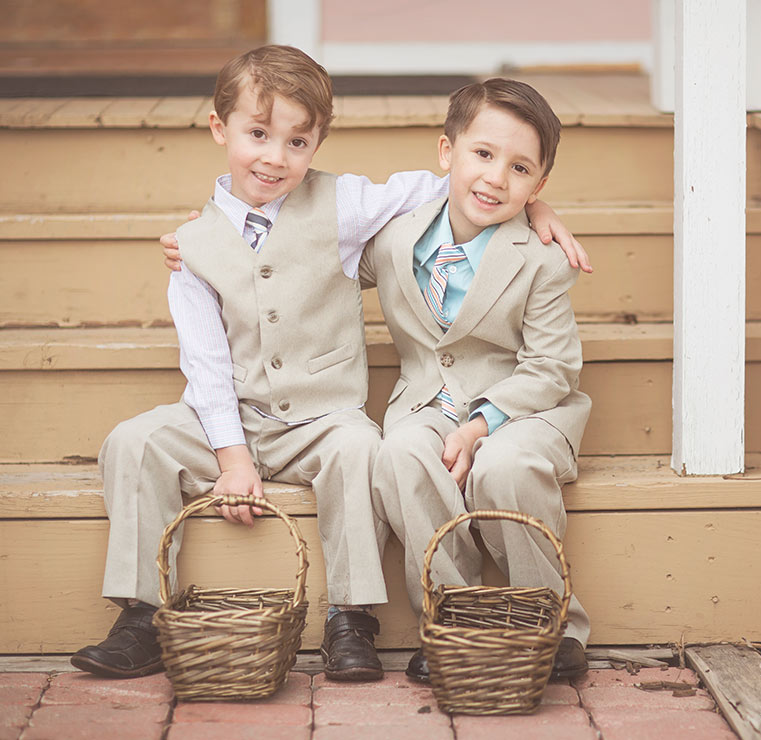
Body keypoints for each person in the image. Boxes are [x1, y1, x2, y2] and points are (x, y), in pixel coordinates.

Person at [75, 45, 589, 683]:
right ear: (218, 129)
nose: (274, 156)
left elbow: (455, 185)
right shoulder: (193, 246)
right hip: (229, 414)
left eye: (296, 141)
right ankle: (142, 614)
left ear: (317, 144)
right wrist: (232, 456)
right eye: (257, 135)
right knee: (133, 442)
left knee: (360, 449)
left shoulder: (344, 207)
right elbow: (204, 365)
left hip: (321, 416)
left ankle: (354, 616)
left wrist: (536, 205)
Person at [358, 78, 593, 682]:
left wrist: (483, 423)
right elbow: (310, 251)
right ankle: (452, 618)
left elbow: (553, 367)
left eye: (520, 169)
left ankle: (551, 620)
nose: (495, 178)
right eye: (482, 155)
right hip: (426, 401)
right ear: (447, 154)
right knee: (403, 452)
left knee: (502, 467)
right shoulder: (393, 239)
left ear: (539, 186)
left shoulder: (541, 258)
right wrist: (214, 235)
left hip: (524, 407)